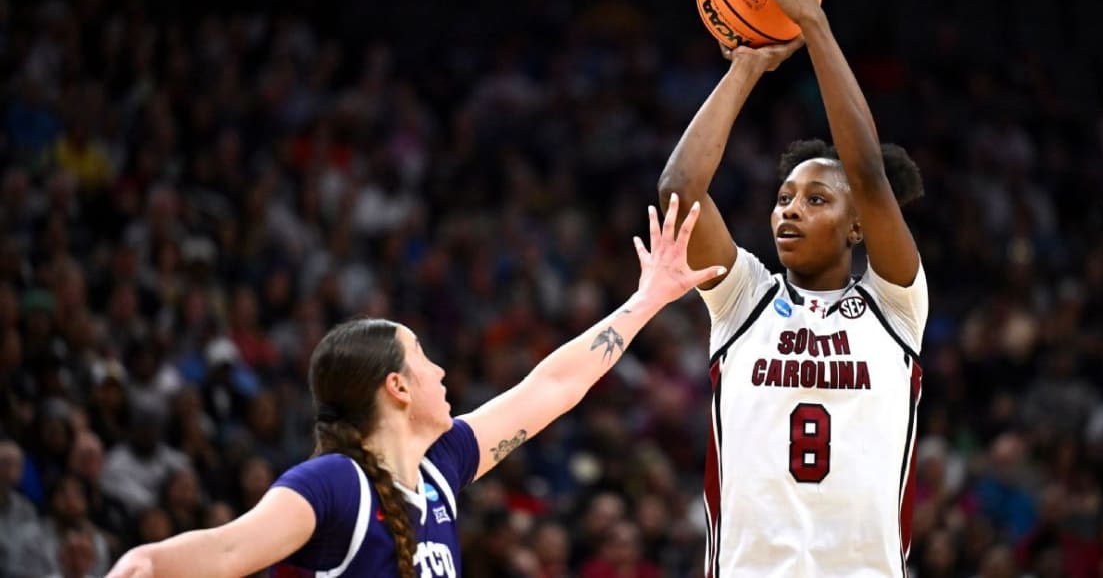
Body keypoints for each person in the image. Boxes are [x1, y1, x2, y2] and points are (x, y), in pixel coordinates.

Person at [103, 194, 724, 578]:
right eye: (426, 358)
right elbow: (219, 555)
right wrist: (143, 564)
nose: (444, 372)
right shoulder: (333, 484)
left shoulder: (439, 469)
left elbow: (552, 387)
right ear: (397, 386)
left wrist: (647, 300)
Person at [657, 0, 928, 576]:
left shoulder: (896, 306)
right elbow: (678, 195)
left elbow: (865, 171)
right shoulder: (742, 299)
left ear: (858, 223)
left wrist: (813, 23)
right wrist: (746, 68)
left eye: (815, 199)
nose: (789, 210)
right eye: (783, 198)